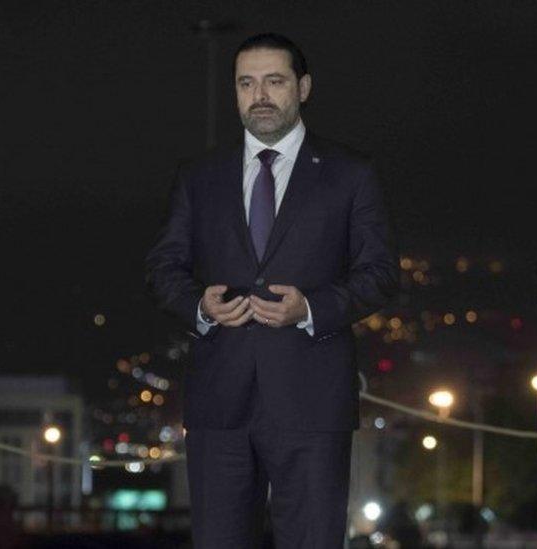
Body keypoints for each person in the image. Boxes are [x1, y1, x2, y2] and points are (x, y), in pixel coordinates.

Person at [145, 32, 400, 548]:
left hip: (311, 403)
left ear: (303, 87)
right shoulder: (198, 176)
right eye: (246, 83)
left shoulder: (350, 174)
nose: (259, 95)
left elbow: (380, 273)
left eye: (274, 81)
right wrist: (199, 304)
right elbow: (162, 268)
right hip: (219, 405)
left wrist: (311, 308)